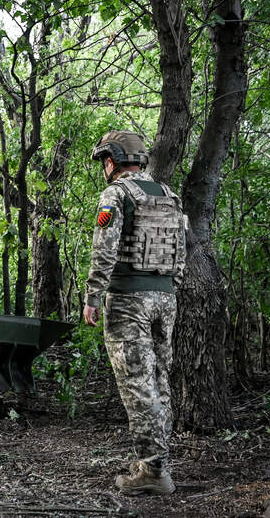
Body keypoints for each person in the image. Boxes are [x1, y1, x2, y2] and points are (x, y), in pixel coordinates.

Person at [83, 130, 187, 496]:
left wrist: (93, 296)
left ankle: (154, 472)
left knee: (137, 385)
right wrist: (168, 290)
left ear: (112, 160)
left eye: (103, 161)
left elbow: (105, 250)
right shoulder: (168, 196)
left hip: (128, 300)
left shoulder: (116, 194)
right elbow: (181, 255)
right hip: (166, 299)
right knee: (159, 380)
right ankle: (154, 462)